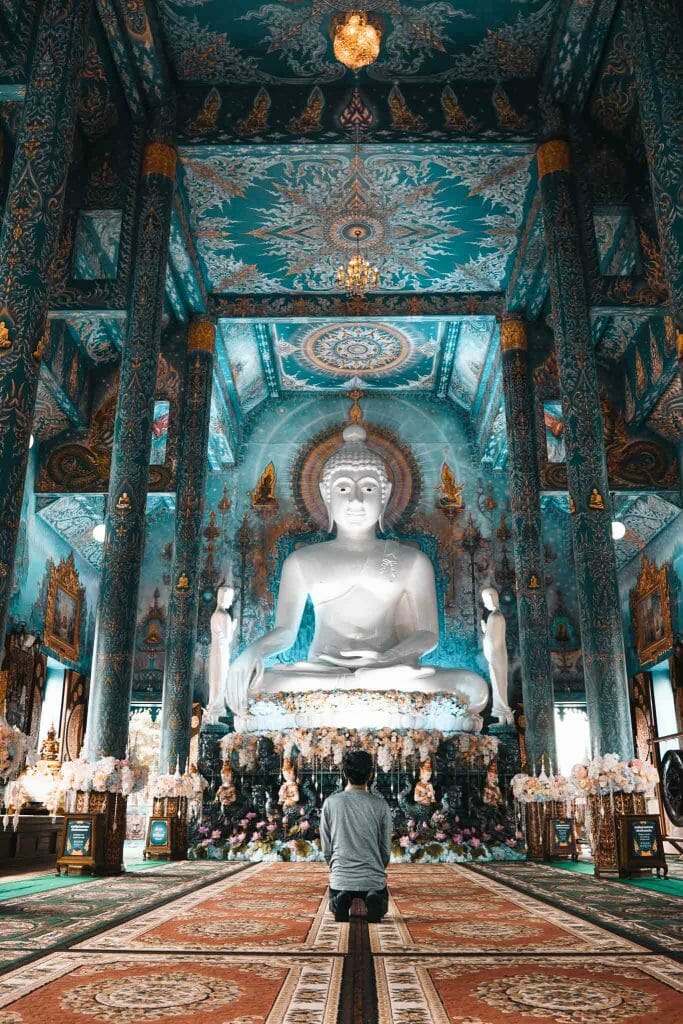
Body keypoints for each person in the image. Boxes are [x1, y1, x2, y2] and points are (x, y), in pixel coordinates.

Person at [320, 749, 392, 923]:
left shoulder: (330, 803)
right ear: (370, 774)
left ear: (344, 773)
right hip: (373, 877)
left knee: (338, 892)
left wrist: (336, 866)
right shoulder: (381, 805)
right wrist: (377, 867)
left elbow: (326, 847)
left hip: (340, 877)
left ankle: (340, 899)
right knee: (381, 897)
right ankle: (374, 899)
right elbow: (385, 849)